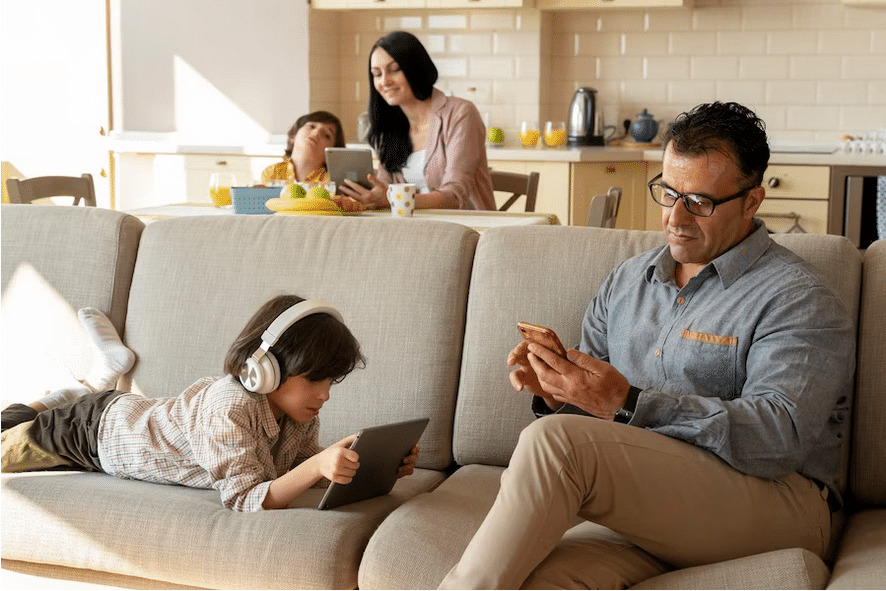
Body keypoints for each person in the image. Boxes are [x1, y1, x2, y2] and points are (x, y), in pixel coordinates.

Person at [439, 102, 855, 589]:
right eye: (669, 192)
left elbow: (779, 438)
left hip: (780, 502)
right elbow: (593, 426)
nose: (676, 217)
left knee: (551, 441)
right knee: (536, 580)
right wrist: (560, 392)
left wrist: (630, 403)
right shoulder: (629, 281)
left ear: (752, 201)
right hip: (659, 502)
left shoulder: (798, 298)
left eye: (699, 201)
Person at [1, 296, 419, 512]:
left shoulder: (299, 415)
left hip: (119, 411)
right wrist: (316, 465)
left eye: (331, 381)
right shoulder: (229, 408)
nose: (325, 394)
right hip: (93, 432)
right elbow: (244, 499)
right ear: (265, 368)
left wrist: (361, 465)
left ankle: (79, 389)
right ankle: (70, 394)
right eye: (314, 380)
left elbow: (295, 470)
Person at [338, 31, 495, 211]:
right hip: (414, 229)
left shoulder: (460, 113)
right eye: (377, 74)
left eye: (395, 69)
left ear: (415, 68)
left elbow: (455, 195)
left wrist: (393, 200)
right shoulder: (391, 127)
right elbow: (383, 189)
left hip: (466, 229)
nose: (384, 81)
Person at [260, 111, 346, 185]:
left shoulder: (333, 183)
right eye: (311, 126)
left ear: (331, 153)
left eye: (327, 135)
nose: (316, 133)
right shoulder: (272, 173)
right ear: (292, 136)